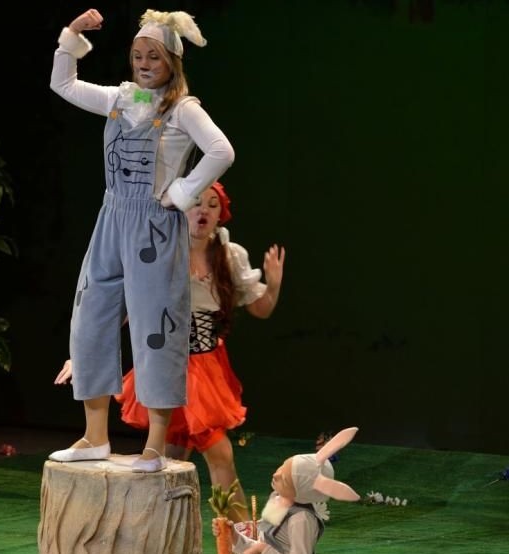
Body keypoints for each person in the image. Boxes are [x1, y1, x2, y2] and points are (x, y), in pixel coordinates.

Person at [47, 8, 235, 473]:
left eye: (153, 56)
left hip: (154, 226)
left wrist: (183, 192)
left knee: (155, 330)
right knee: (89, 319)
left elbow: (221, 150)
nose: (144, 64)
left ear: (172, 61)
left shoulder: (183, 109)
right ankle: (94, 436)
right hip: (111, 219)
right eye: (137, 55)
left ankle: (154, 445)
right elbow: (63, 84)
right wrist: (72, 35)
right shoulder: (121, 98)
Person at [57, 182, 285, 521]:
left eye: (212, 205)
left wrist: (274, 284)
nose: (203, 210)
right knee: (175, 456)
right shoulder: (162, 249)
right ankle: (151, 530)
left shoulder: (229, 255)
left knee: (203, 455)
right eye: (196, 203)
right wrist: (83, 355)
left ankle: (239, 538)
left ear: (220, 215)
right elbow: (121, 310)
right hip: (166, 360)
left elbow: (260, 308)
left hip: (207, 369)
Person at [214, 427, 361, 554]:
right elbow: (259, 543)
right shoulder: (278, 500)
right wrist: (232, 535)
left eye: (285, 479)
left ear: (300, 491)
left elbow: (264, 548)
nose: (275, 475)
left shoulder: (301, 519)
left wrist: (262, 549)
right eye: (282, 467)